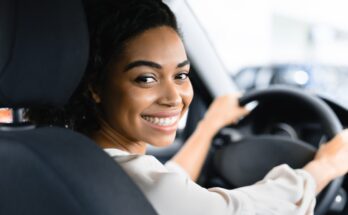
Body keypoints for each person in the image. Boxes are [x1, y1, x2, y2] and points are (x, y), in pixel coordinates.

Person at [28, 0, 348, 214]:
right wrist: (324, 167)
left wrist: (207, 127)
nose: (174, 96)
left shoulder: (58, 157)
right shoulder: (123, 182)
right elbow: (238, 210)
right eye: (146, 78)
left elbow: (165, 186)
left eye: (181, 74)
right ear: (95, 86)